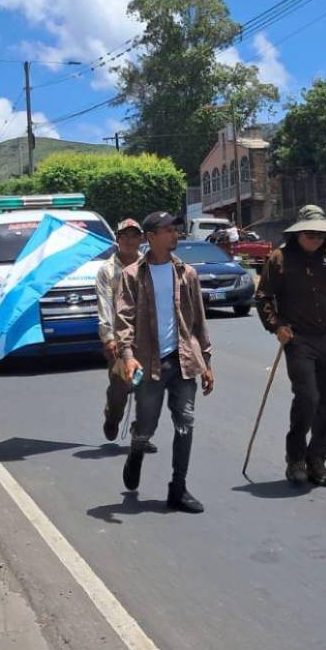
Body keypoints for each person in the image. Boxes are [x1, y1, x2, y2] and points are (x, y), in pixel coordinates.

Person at [254, 205, 326, 487]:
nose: (315, 239)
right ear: (299, 233)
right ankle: (296, 458)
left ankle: (317, 460)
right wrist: (277, 326)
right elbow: (263, 297)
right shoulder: (280, 259)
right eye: (310, 234)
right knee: (307, 397)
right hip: (298, 339)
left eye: (320, 235)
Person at [115, 211, 214, 513]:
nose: (175, 235)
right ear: (151, 237)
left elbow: (198, 320)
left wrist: (207, 362)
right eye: (168, 230)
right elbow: (123, 319)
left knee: (185, 423)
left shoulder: (187, 274)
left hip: (183, 361)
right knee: (147, 423)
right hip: (148, 364)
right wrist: (128, 357)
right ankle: (136, 449)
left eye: (175, 230)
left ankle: (178, 488)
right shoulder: (132, 275)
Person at [95, 219, 156, 453]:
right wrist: (108, 337)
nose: (130, 241)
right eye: (125, 236)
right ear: (118, 240)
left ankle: (140, 433)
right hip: (120, 337)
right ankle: (113, 416)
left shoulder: (151, 265)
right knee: (122, 386)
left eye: (135, 236)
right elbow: (105, 306)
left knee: (150, 387)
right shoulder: (107, 271)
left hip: (148, 337)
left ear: (141, 238)